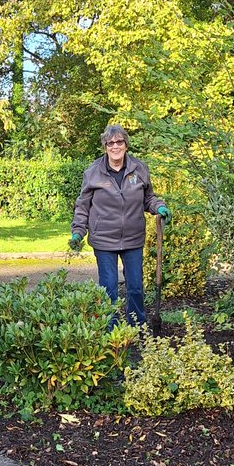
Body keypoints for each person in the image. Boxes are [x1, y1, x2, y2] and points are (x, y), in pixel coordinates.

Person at [69, 124, 169, 326]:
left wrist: (159, 206)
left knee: (135, 287)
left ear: (126, 145)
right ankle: (110, 330)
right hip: (104, 240)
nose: (115, 146)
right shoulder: (93, 172)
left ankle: (137, 327)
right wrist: (78, 232)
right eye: (110, 143)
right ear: (105, 146)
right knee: (108, 288)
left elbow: (148, 198)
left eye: (119, 142)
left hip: (133, 238)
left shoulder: (139, 168)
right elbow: (83, 205)